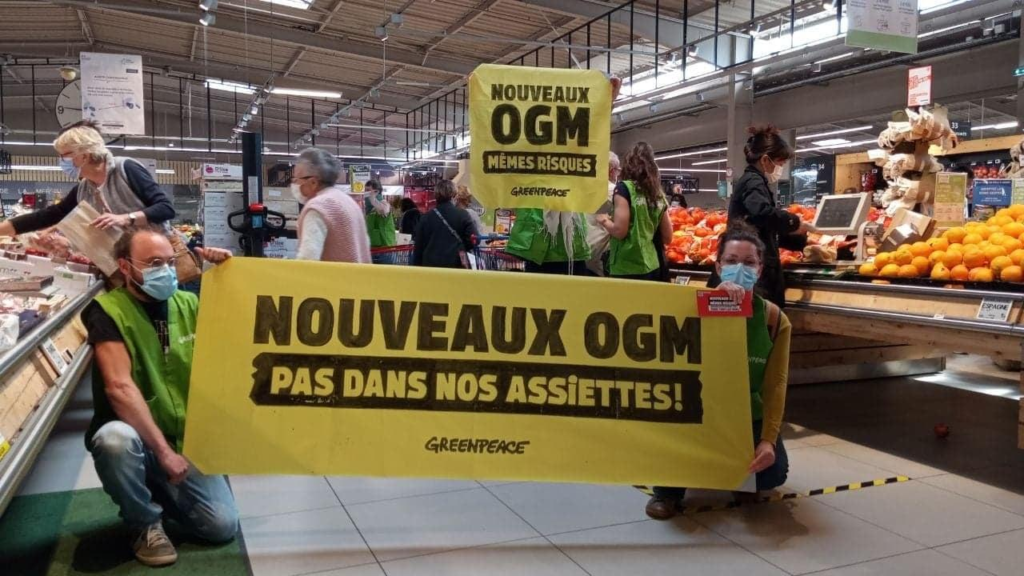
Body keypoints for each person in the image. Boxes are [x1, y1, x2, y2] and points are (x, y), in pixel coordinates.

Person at [82, 227, 238, 567]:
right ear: (125, 266)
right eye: (154, 263)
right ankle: (143, 523)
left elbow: (236, 339)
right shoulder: (107, 311)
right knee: (114, 441)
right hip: (136, 435)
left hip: (183, 437)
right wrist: (164, 453)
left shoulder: (189, 303)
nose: (166, 270)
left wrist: (227, 275)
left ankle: (154, 487)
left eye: (169, 261)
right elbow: (119, 387)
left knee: (221, 527)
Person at [645, 223, 791, 520]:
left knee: (773, 473)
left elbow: (775, 384)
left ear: (760, 269)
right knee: (673, 443)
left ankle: (737, 477)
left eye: (749, 262)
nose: (740, 269)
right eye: (732, 261)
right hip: (695, 411)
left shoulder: (774, 319)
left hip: (744, 415)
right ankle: (668, 491)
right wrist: (712, 301)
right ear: (718, 266)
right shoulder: (691, 306)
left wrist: (767, 439)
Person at [0, 120, 175, 237]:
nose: (61, 161)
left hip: (156, 257)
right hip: (123, 261)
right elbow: (52, 215)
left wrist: (126, 217)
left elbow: (166, 208)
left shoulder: (126, 168)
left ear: (84, 155)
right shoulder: (84, 188)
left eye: (64, 155)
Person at [723, 125, 812, 307]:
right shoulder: (753, 182)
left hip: (753, 264)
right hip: (754, 269)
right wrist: (794, 222)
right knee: (761, 317)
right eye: (780, 163)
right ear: (765, 160)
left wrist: (799, 241)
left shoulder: (753, 181)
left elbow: (763, 227)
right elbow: (762, 213)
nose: (781, 168)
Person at [595, 141, 672, 281]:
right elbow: (668, 237)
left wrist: (604, 220)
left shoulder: (624, 189)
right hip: (652, 264)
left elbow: (620, 231)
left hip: (627, 265)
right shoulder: (657, 194)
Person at [292, 148, 372, 263]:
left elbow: (308, 259)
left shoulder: (318, 208)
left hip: (333, 275)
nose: (294, 184)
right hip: (359, 274)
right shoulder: (349, 202)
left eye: (296, 179)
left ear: (313, 182)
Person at [412, 180, 476, 268]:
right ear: (454, 195)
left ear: (435, 196)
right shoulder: (463, 215)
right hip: (456, 265)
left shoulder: (425, 217)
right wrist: (461, 246)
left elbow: (418, 247)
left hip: (430, 266)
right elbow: (473, 240)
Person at [585, 151, 621, 276]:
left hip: (582, 250)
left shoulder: (584, 188)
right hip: (601, 253)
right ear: (612, 170)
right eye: (618, 171)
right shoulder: (614, 191)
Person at [364, 180, 397, 249]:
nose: (365, 193)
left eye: (368, 190)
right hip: (373, 247)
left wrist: (373, 200)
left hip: (385, 247)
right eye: (365, 190)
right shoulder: (369, 209)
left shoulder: (384, 204)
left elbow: (385, 210)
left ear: (377, 192)